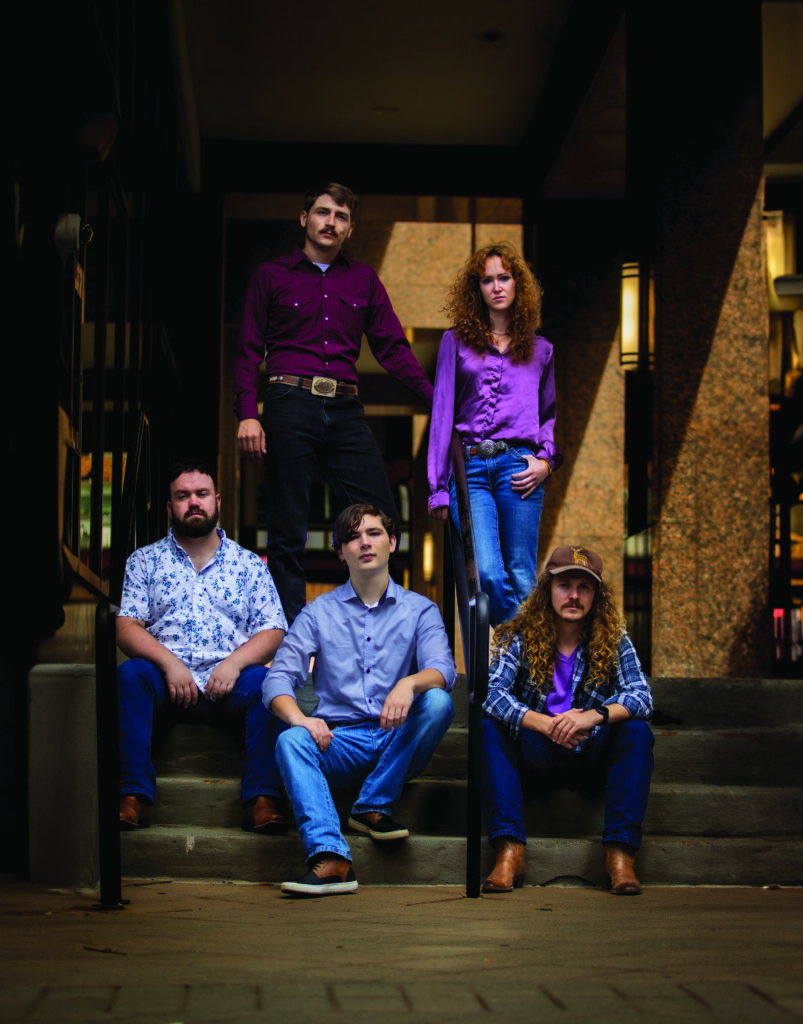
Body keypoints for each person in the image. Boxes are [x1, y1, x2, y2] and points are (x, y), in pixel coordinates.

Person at [234, 182, 433, 625]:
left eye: (341, 217)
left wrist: (437, 403)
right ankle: (292, 638)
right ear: (304, 218)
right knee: (288, 528)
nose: (331, 222)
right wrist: (248, 413)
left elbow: (394, 349)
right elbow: (247, 350)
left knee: (381, 518)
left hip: (344, 408)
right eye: (323, 212)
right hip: (288, 402)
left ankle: (371, 624)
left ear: (351, 228)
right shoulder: (271, 275)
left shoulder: (363, 280)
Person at [263, 503, 456, 897]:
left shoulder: (421, 610)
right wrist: (300, 719)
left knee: (438, 701)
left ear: (392, 542)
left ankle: (372, 803)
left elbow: (443, 670)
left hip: (398, 737)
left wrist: (409, 684)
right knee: (290, 741)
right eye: (352, 537)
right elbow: (278, 677)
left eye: (374, 533)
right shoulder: (318, 613)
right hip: (340, 742)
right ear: (341, 553)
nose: (364, 543)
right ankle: (331, 857)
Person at [116, 459, 289, 835]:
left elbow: (274, 630)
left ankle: (261, 798)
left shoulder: (249, 565)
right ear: (170, 507)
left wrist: (234, 664)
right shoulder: (144, 560)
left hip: (229, 685)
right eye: (183, 496)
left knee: (270, 683)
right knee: (130, 675)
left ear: (217, 501)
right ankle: (132, 795)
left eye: (201, 494)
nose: (193, 502)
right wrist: (169, 664)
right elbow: (126, 626)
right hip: (164, 683)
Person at [481, 545, 654, 895]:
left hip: (590, 756)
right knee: (487, 727)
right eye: (565, 586)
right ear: (548, 590)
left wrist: (593, 717)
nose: (574, 596)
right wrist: (545, 723)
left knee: (637, 730)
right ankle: (509, 851)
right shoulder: (519, 636)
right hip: (537, 756)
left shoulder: (614, 639)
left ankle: (620, 856)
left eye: (584, 587)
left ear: (596, 595)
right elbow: (491, 693)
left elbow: (642, 695)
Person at [428, 242, 562, 627]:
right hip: (469, 472)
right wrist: (438, 487)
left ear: (519, 284)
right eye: (487, 280)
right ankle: (535, 643)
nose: (497, 286)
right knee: (486, 573)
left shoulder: (541, 350)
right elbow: (442, 414)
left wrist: (546, 463)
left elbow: (548, 416)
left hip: (519, 468)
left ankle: (523, 661)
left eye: (504, 277)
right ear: (477, 289)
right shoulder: (455, 341)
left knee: (522, 574)